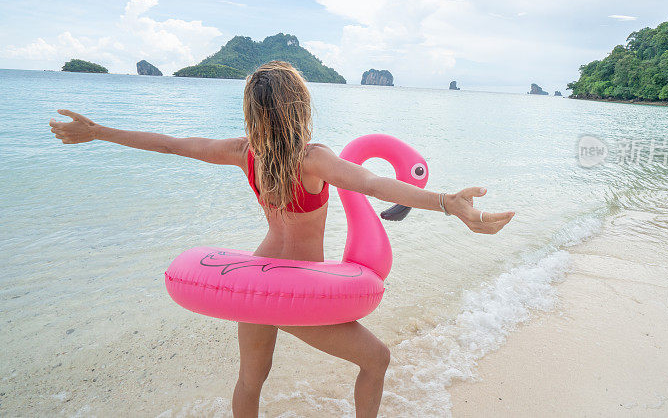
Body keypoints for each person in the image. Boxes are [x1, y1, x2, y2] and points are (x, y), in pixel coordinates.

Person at [49, 60, 515, 418]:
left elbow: (172, 143)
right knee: (376, 360)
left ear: (252, 111)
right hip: (297, 288)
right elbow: (371, 183)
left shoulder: (242, 153)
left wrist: (97, 133)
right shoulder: (313, 159)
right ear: (302, 106)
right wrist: (447, 202)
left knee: (250, 381)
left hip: (255, 277)